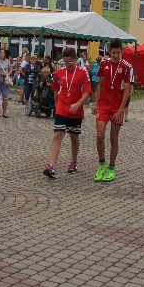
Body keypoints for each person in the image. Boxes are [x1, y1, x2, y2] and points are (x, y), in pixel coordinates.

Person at [43, 47, 92, 178]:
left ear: (76, 59)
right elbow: (55, 89)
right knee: (58, 135)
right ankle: (51, 166)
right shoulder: (59, 73)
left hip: (76, 110)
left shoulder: (83, 72)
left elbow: (87, 91)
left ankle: (73, 162)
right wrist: (57, 104)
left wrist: (78, 104)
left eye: (70, 62)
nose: (67, 65)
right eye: (65, 62)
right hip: (62, 109)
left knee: (74, 137)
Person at [91, 38, 134, 182]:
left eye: (118, 53)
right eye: (113, 53)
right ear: (109, 51)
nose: (116, 56)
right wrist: (96, 103)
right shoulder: (104, 63)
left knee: (113, 138)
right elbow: (99, 84)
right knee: (100, 136)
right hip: (103, 105)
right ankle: (101, 165)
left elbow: (127, 90)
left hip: (117, 107)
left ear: (121, 52)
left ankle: (111, 168)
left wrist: (121, 111)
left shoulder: (127, 66)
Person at [0, 48, 12, 118]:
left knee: (5, 97)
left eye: (3, 53)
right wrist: (0, 73)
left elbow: (10, 69)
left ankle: (4, 112)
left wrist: (8, 74)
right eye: (1, 52)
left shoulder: (7, 61)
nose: (2, 54)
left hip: (5, 81)